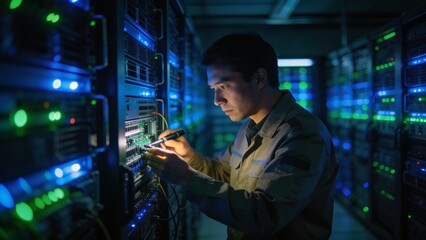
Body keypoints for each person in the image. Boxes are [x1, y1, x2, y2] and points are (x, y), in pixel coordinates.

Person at [145, 32, 339, 239]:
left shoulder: (302, 135)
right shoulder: (251, 127)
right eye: (213, 89)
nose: (217, 100)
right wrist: (190, 157)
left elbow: (264, 215)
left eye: (223, 86)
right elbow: (225, 174)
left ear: (259, 78)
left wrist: (186, 177)